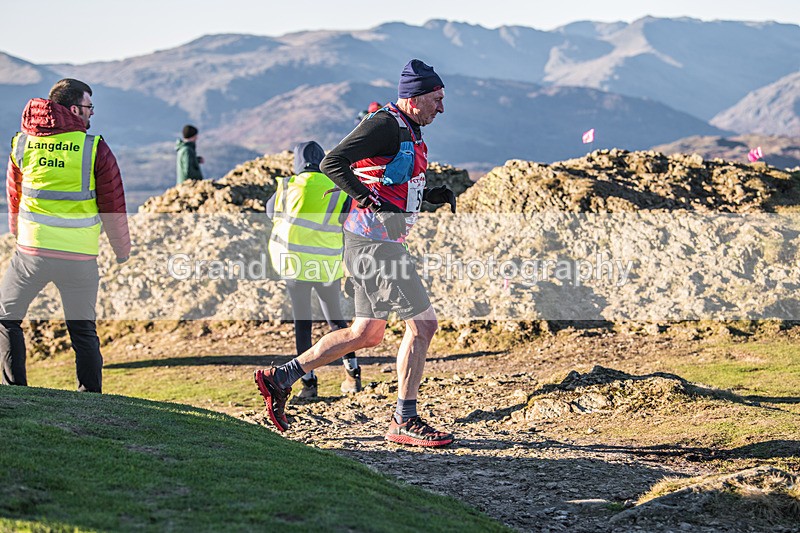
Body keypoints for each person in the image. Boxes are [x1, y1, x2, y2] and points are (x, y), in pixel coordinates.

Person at [255, 59, 457, 447]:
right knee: (424, 326)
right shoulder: (384, 124)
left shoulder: (409, 128)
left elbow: (388, 179)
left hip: (373, 244)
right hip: (375, 246)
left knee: (364, 334)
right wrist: (374, 204)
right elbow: (333, 162)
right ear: (415, 98)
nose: (442, 108)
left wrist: (429, 196)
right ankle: (405, 418)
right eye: (437, 99)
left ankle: (281, 377)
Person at [0, 78, 131, 393]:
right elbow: (113, 203)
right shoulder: (93, 147)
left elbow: (14, 196)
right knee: (83, 329)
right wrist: (121, 249)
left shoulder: (22, 143)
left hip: (32, 254)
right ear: (74, 108)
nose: (92, 114)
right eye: (89, 107)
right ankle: (90, 398)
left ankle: (16, 390)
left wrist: (18, 234)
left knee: (6, 320)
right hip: (79, 258)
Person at [266, 140, 361, 398]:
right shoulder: (337, 187)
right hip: (326, 265)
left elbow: (269, 212)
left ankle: (308, 383)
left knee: (303, 322)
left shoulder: (287, 187)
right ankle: (353, 375)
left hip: (295, 265)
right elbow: (346, 218)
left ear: (297, 162)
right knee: (336, 321)